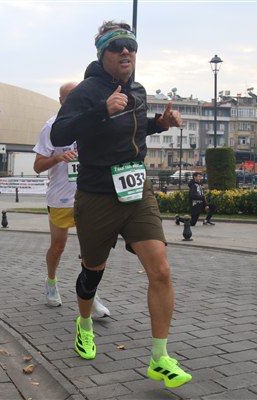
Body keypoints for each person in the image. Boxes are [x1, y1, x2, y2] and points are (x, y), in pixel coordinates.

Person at [50, 20, 192, 389]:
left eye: (131, 45)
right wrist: (101, 109)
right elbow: (59, 133)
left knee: (160, 270)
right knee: (93, 271)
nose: (125, 51)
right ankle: (84, 325)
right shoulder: (86, 92)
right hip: (97, 194)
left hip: (137, 190)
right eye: (116, 46)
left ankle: (160, 357)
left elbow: (134, 126)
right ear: (103, 53)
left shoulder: (138, 90)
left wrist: (160, 123)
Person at [33, 82, 110, 318]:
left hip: (89, 194)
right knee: (58, 247)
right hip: (61, 197)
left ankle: (91, 294)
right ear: (61, 101)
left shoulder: (91, 121)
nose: (76, 100)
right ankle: (51, 281)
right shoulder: (51, 127)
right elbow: (37, 166)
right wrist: (58, 158)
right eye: (70, 97)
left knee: (91, 250)